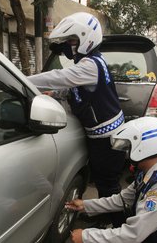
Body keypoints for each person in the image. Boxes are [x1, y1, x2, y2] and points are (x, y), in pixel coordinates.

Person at [27, 12, 126, 227]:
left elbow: (59, 78)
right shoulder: (88, 63)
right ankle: (104, 215)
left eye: (71, 41)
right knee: (102, 181)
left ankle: (120, 229)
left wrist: (22, 82)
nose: (68, 46)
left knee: (108, 185)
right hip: (101, 136)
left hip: (109, 139)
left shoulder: (90, 65)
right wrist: (54, 95)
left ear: (86, 38)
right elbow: (72, 90)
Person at [66, 117, 157, 243]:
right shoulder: (147, 174)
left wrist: (86, 237)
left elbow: (133, 234)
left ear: (145, 147)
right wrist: (85, 205)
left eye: (129, 146)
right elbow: (121, 200)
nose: (126, 152)